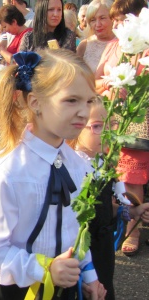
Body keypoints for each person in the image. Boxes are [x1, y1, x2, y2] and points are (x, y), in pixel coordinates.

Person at [0, 49, 105, 299]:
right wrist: (44, 269)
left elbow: (77, 230)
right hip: (14, 288)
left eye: (89, 101)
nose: (84, 112)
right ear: (35, 102)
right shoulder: (11, 170)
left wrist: (89, 276)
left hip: (63, 286)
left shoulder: (80, 166)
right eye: (71, 100)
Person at [72, 100, 149, 300]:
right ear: (76, 127)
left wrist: (131, 212)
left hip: (102, 248)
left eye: (113, 123)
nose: (108, 132)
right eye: (97, 126)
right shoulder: (74, 168)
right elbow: (69, 226)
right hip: (79, 256)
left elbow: (105, 209)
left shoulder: (103, 162)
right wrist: (83, 277)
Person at [95, 0, 149, 257]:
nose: (118, 25)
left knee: (132, 177)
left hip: (139, 123)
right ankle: (122, 223)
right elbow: (95, 79)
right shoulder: (114, 46)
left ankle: (133, 230)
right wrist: (108, 87)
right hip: (112, 119)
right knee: (117, 175)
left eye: (123, 19)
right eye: (116, 20)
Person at [76, 0, 116, 72]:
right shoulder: (84, 46)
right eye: (93, 20)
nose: (98, 24)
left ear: (113, 18)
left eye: (102, 18)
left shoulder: (123, 44)